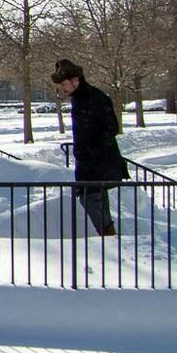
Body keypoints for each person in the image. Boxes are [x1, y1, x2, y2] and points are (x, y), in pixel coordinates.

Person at [52, 57, 125, 238]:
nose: (63, 88)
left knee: (90, 197)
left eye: (64, 84)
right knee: (94, 198)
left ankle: (109, 236)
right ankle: (109, 236)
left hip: (98, 161)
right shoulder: (80, 99)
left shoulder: (94, 97)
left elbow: (111, 128)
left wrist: (92, 149)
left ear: (75, 79)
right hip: (88, 162)